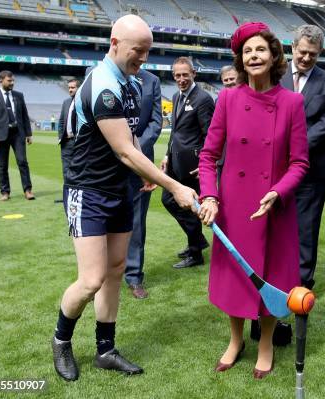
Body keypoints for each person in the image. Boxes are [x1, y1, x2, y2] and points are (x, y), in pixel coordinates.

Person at [51, 14, 197, 382]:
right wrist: (173, 185)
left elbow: (133, 142)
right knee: (91, 279)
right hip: (89, 192)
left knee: (116, 271)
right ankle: (61, 340)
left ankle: (105, 350)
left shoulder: (129, 83)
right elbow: (124, 151)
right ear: (115, 42)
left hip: (120, 190)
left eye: (147, 52)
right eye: (138, 50)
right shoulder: (103, 86)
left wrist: (144, 174)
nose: (143, 59)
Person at [197, 22, 308, 378]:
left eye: (260, 49)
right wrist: (210, 195)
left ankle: (264, 344)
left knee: (271, 277)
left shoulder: (292, 102)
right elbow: (207, 156)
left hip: (273, 208)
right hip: (234, 207)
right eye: (247, 51)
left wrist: (277, 192)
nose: (254, 56)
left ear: (274, 55)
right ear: (241, 61)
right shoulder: (228, 99)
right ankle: (235, 339)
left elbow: (300, 162)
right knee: (235, 277)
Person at [280, 24, 325, 290]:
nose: (305, 58)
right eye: (302, 52)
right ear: (293, 48)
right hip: (274, 168)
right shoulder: (274, 73)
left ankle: (302, 285)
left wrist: (297, 147)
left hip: (311, 171)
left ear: (319, 53)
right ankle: (277, 277)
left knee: (306, 230)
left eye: (312, 54)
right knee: (275, 226)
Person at [161, 57, 214, 269]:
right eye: (177, 75)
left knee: (189, 206)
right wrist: (167, 154)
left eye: (185, 74)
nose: (181, 79)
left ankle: (195, 253)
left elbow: (210, 135)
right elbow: (175, 132)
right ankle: (198, 242)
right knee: (168, 199)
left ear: (193, 74)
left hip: (193, 166)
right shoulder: (176, 96)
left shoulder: (203, 99)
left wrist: (205, 162)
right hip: (175, 162)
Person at [124, 69, 163, 298]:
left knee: (137, 221)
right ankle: (97, 277)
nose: (142, 55)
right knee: (101, 221)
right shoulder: (96, 73)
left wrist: (132, 150)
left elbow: (156, 122)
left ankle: (134, 277)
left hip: (141, 164)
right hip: (107, 162)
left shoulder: (152, 81)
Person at [0, 70, 35, 201]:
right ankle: (5, 192)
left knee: (22, 162)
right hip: (1, 135)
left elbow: (24, 115)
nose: (12, 83)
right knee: (2, 165)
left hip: (18, 134)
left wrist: (29, 134)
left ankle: (28, 190)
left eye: (13, 80)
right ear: (1, 81)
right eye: (9, 80)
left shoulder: (19, 95)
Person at [57, 79, 80, 181]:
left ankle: (78, 194)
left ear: (79, 88)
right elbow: (61, 121)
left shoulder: (83, 102)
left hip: (78, 142)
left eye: (73, 87)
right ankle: (67, 195)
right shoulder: (66, 102)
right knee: (66, 170)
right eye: (69, 87)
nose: (70, 90)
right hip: (66, 142)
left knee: (78, 169)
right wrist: (60, 137)